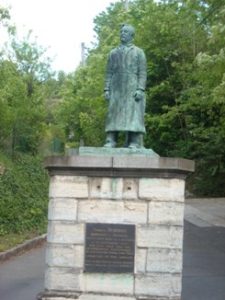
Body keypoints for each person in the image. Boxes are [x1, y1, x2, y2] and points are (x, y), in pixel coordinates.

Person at [104, 23, 147, 148]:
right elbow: (108, 72)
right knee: (113, 113)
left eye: (126, 32)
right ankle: (111, 140)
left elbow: (142, 72)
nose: (122, 34)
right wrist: (106, 88)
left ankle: (134, 141)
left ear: (132, 35)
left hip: (132, 87)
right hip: (116, 87)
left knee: (132, 113)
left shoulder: (139, 52)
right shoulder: (113, 53)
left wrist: (140, 89)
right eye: (121, 31)